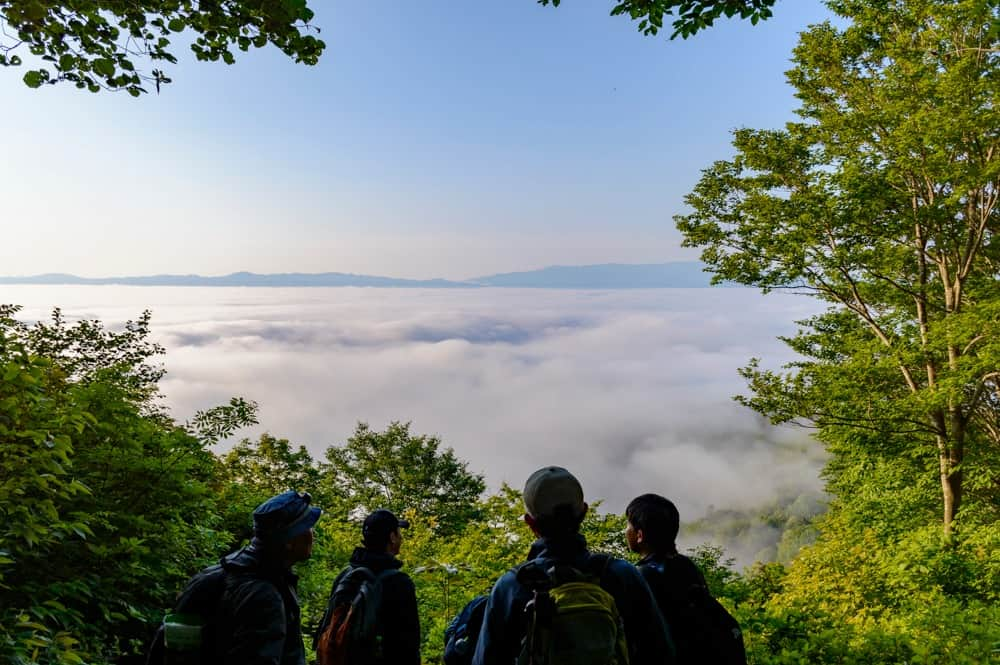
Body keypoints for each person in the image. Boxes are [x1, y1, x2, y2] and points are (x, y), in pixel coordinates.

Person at [471, 466, 676, 665]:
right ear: (584, 512)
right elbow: (660, 653)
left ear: (530, 523)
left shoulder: (512, 586)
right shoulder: (623, 576)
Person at [625, 493, 746, 665]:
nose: (626, 530)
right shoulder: (686, 566)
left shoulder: (641, 576)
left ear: (639, 535)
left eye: (628, 525)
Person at [210, 489, 321, 664]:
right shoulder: (264, 597)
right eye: (307, 527)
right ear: (289, 541)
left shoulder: (217, 572)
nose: (313, 534)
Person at [319, 508, 421, 665]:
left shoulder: (346, 574)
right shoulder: (399, 583)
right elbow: (408, 645)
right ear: (392, 538)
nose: (401, 537)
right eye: (398, 532)